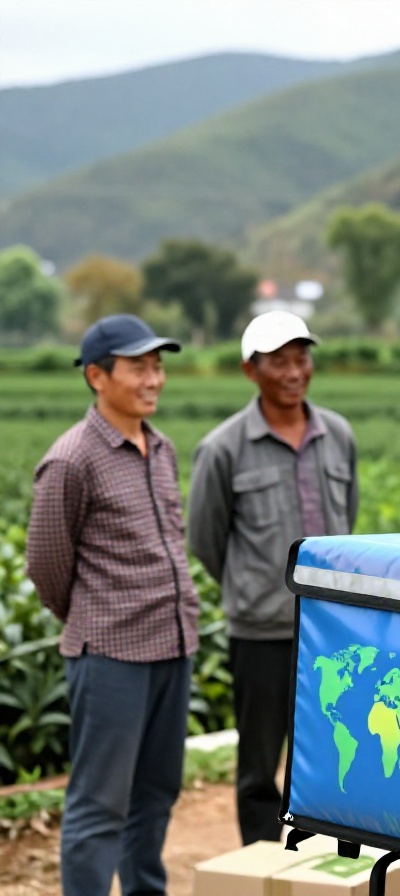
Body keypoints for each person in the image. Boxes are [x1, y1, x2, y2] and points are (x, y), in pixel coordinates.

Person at [25, 314, 197, 896]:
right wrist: (97, 621)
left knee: (156, 794)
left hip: (173, 645)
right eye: (139, 367)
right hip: (111, 657)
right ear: (98, 376)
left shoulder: (162, 448)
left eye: (158, 366)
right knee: (100, 804)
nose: (154, 379)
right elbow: (47, 568)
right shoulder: (71, 459)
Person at [187, 311, 358, 845]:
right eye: (278, 361)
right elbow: (207, 539)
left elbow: (345, 520)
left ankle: (320, 860)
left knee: (332, 751)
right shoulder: (223, 447)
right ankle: (260, 863)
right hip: (261, 630)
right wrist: (254, 588)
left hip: (329, 629)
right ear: (250, 371)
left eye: (301, 358)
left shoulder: (338, 435)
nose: (293, 371)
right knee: (260, 764)